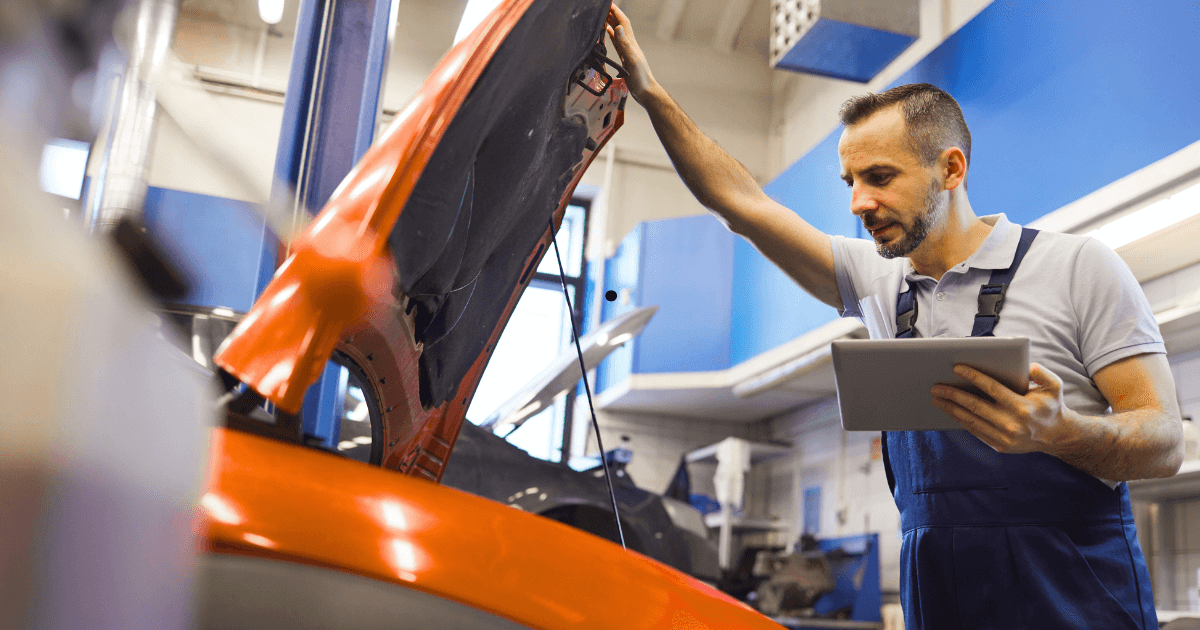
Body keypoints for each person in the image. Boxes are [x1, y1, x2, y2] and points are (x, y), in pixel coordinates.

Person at [604, 6, 1183, 629]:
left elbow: (1164, 442)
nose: (859, 203)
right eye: (851, 180)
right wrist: (649, 90)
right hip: (938, 591)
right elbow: (742, 204)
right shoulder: (876, 280)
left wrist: (1060, 431)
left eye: (880, 178)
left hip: (1073, 596)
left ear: (951, 169)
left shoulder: (1079, 267)